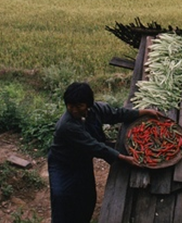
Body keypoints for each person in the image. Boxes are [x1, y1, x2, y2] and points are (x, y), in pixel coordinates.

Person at [47, 81, 162, 223]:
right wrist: (123, 158)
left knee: (87, 197)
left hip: (82, 161)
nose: (74, 110)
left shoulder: (96, 110)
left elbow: (116, 114)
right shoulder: (67, 126)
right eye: (70, 106)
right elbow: (95, 146)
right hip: (63, 164)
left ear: (88, 105)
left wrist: (143, 112)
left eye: (79, 106)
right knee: (62, 198)